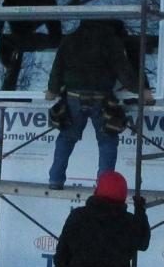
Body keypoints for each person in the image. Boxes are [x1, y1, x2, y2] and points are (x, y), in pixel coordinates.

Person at [44, 19, 153, 189]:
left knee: (66, 138)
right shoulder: (111, 40)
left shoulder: (70, 39)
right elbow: (123, 70)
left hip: (73, 96)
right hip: (101, 99)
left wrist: (52, 90)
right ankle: (104, 186)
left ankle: (55, 180)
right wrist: (142, 90)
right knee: (107, 140)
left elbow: (57, 68)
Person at [0, 0, 62, 90]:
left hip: (24, 31)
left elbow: (54, 22)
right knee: (9, 47)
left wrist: (57, 39)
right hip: (13, 25)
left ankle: (9, 71)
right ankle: (8, 72)